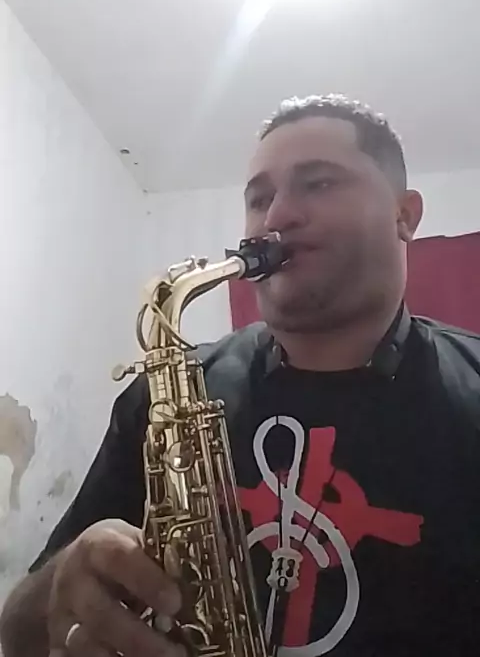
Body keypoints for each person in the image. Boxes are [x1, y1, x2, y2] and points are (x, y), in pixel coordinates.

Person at [2, 94, 480, 657]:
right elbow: (15, 633)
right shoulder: (162, 396)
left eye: (318, 183)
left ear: (405, 215)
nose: (275, 218)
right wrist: (63, 590)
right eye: (259, 198)